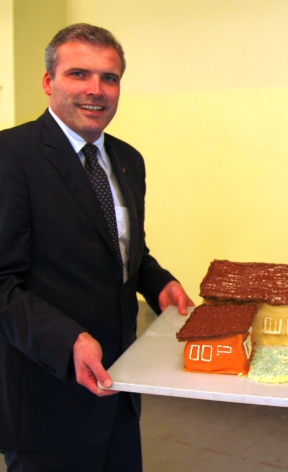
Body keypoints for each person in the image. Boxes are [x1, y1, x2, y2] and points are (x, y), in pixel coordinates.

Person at [0, 24, 194, 471]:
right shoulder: (12, 157)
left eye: (110, 77)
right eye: (79, 74)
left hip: (120, 393)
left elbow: (126, 250)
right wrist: (66, 340)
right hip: (46, 397)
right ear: (49, 82)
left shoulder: (128, 160)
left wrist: (158, 282)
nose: (96, 90)